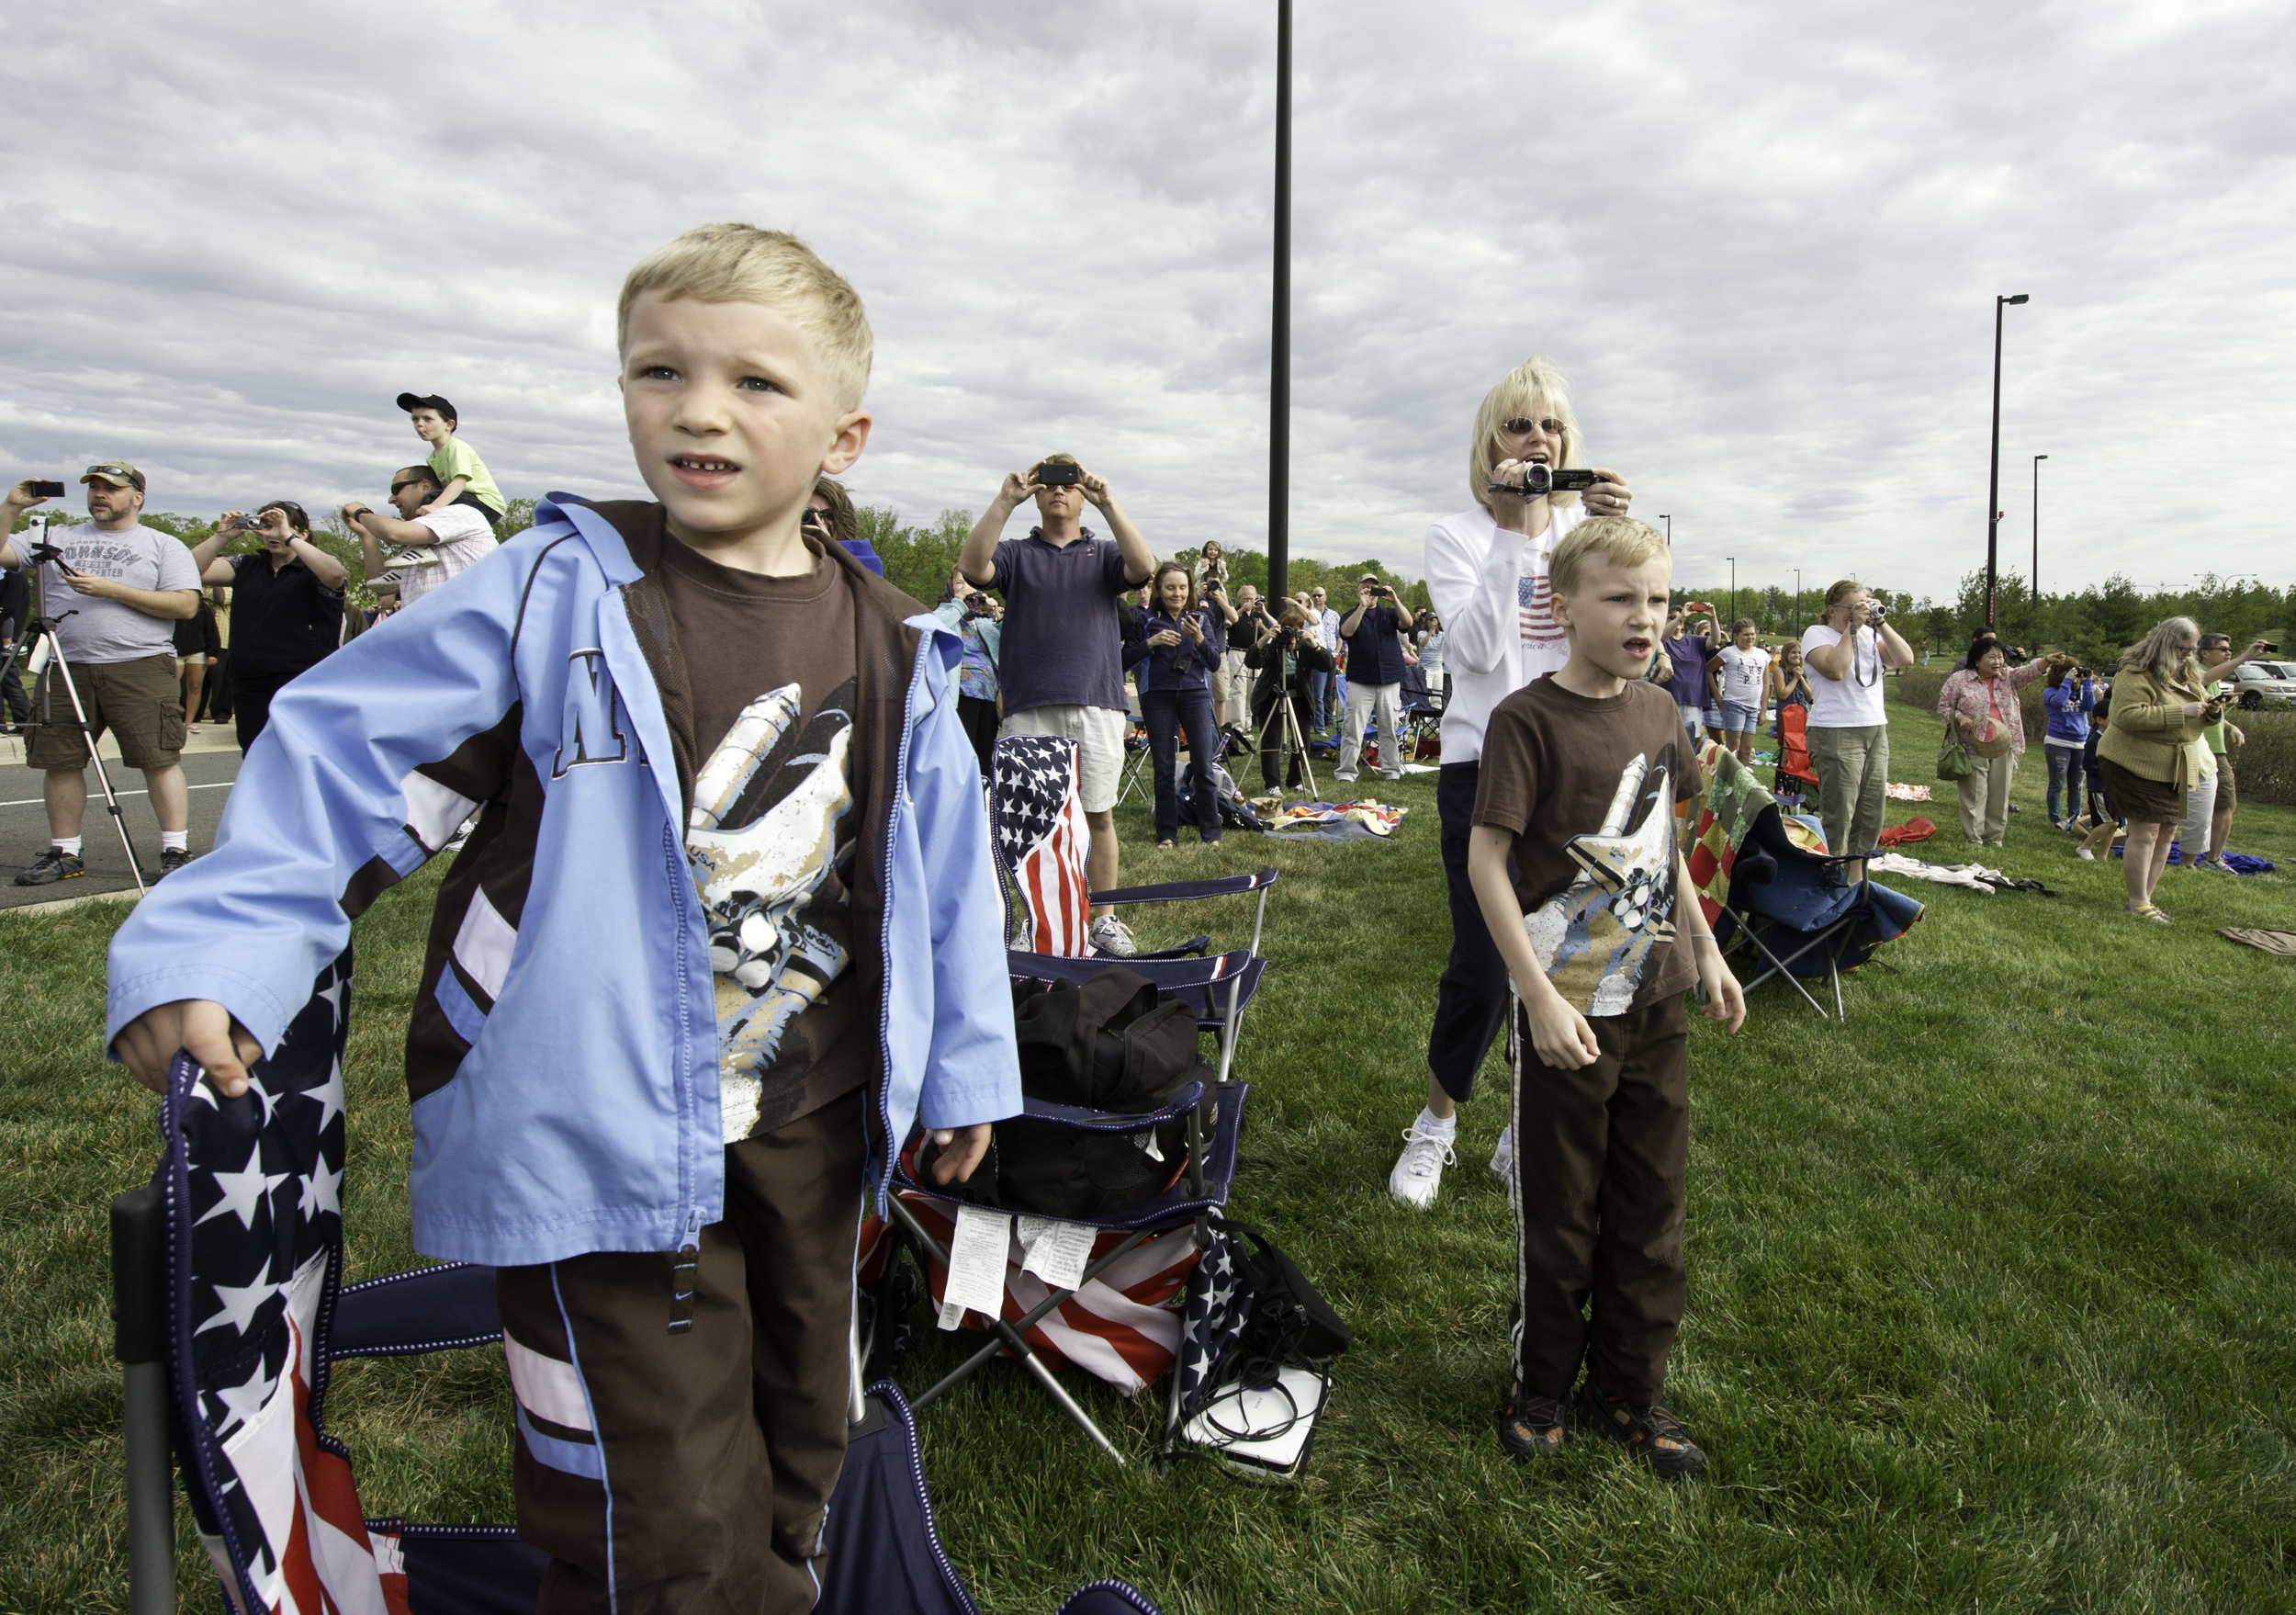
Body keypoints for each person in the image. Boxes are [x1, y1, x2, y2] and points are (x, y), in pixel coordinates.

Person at [107, 223, 1019, 1613]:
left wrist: (962, 1066)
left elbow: (950, 884)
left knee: (800, 1444)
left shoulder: (897, 641)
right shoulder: (552, 591)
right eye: (660, 368)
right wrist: (217, 943)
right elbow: (350, 757)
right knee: (646, 1503)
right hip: (591, 1132)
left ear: (847, 434)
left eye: (757, 384)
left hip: (808, 1135)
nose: (699, 408)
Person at [1467, 514, 1743, 1476]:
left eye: (1657, 599)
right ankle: (1540, 1381)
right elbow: (1486, 860)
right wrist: (1534, 995)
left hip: (1656, 1001)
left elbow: (1660, 852)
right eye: (1620, 598)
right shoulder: (1526, 721)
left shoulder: (1662, 713)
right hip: (1567, 1013)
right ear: (1563, 605)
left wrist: (1703, 950)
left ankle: (1630, 1388)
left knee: (1649, 1201)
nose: (1643, 618)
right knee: (1562, 1207)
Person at [1395, 353, 1635, 1208]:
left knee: (1570, 956)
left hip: (1577, 763)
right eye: (1518, 425)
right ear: (1489, 441)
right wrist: (1508, 528)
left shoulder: (1585, 540)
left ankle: (1523, 1126)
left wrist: (1618, 538)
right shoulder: (1456, 535)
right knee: (1483, 959)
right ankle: (1435, 1124)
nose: (1538, 440)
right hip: (1483, 764)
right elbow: (1474, 653)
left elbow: (1625, 636)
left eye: (1551, 426)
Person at [959, 454, 1156, 957]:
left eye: (1067, 484)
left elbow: (1143, 568)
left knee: (1099, 816)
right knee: (1032, 821)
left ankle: (1104, 919)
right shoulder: (1015, 553)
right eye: (1047, 484)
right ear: (1037, 493)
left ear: (1080, 493)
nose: (1057, 491)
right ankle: (1037, 919)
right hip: (1030, 704)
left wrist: (1108, 502)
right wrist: (1005, 499)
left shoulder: (1105, 551)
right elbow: (972, 568)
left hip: (1097, 702)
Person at [2, 463, 200, 885]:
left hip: (140, 664)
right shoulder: (56, 537)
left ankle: (175, 851)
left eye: (111, 488)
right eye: (94, 487)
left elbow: (185, 605)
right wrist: (11, 508)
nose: (99, 494)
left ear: (137, 497)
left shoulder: (163, 544)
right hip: (66, 663)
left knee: (159, 759)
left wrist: (112, 590)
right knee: (61, 761)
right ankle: (66, 853)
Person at [186, 503, 348, 751]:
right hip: (249, 679)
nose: (273, 534)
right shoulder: (247, 565)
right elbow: (188, 571)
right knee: (256, 755)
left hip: (301, 677)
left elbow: (335, 575)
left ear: (302, 533)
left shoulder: (314, 566)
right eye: (266, 526)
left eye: (280, 526)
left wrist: (288, 537)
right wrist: (222, 537)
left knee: (304, 753)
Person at [2095, 616, 2212, 922]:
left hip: (2171, 766)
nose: (2188, 655)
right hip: (2133, 763)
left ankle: (2145, 899)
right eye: (2182, 649)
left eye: (2191, 650)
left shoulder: (2187, 671)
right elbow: (2127, 716)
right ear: (2165, 644)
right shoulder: (2135, 672)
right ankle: (2138, 901)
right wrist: (2181, 711)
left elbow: (2198, 704)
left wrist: (2212, 710)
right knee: (2145, 830)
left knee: (2167, 830)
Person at [1800, 581, 1913, 883]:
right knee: (1841, 812)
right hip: (1836, 730)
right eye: (1854, 606)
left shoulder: (1870, 635)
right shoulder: (1817, 633)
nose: (1862, 611)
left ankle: (1856, 880)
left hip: (1875, 729)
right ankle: (1828, 878)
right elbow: (1835, 670)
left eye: (1867, 603)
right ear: (1832, 610)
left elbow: (1905, 659)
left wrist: (1881, 622)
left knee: (1871, 811)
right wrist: (1851, 630)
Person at [1123, 561, 1224, 848]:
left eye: (1182, 587)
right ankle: (1167, 833)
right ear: (1158, 589)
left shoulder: (1200, 618)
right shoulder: (1144, 619)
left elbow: (1215, 663)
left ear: (1189, 589)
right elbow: (1123, 659)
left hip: (1195, 696)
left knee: (1203, 765)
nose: (1176, 593)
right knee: (1165, 767)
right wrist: (1150, 643)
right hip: (1157, 697)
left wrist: (1201, 639)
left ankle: (1211, 832)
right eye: (1170, 587)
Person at [1935, 634, 2069, 846]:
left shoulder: (2008, 677)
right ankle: (1974, 838)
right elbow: (1944, 707)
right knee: (1975, 794)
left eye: (2000, 657)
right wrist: (1960, 718)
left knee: (2000, 794)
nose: (1998, 662)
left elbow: (2028, 672)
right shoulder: (1959, 679)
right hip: (1973, 745)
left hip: (2003, 745)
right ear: (1977, 659)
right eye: (1992, 657)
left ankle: (1994, 838)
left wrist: (2047, 660)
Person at [343, 464, 498, 609]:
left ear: (425, 486)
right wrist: (366, 535)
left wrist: (360, 512)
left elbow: (394, 532)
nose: (391, 499)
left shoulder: (460, 512)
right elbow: (383, 590)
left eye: (397, 489)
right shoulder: (417, 542)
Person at [2187, 634, 2271, 872]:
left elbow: (2208, 707)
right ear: (2204, 652)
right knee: (2225, 805)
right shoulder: (2201, 673)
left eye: (2231, 650)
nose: (2228, 653)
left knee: (2218, 806)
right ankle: (2211, 859)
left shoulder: (2213, 676)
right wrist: (2247, 656)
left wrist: (2229, 725)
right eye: (2223, 649)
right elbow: (2202, 684)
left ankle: (2202, 856)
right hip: (2209, 752)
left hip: (2213, 750)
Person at [1244, 602, 1332, 791]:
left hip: (1298, 697)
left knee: (1302, 740)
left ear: (1301, 630)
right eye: (1287, 630)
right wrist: (1266, 637)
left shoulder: (1305, 646)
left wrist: (1314, 645)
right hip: (1271, 695)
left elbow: (1328, 665)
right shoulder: (1273, 645)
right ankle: (1272, 784)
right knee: (1271, 739)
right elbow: (1252, 662)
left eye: (1295, 630)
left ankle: (1295, 781)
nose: (1290, 635)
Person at [1334, 574, 1410, 784]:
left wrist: (1395, 600)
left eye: (1374, 588)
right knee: (1353, 729)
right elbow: (1346, 632)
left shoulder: (1388, 613)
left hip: (1389, 680)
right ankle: (1346, 772)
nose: (1370, 591)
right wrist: (1362, 606)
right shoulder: (1350, 615)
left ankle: (1391, 771)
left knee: (1389, 729)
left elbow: (1408, 623)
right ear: (1358, 591)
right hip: (1361, 681)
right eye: (1365, 588)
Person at [396, 391, 509, 527]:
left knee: (431, 499)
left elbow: (459, 482)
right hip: (464, 500)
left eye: (427, 419)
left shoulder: (455, 447)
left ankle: (415, 534)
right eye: (415, 419)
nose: (420, 424)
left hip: (486, 504)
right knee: (429, 499)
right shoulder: (431, 458)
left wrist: (435, 506)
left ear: (448, 425)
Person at [2041, 661, 2099, 830]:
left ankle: (2074, 817)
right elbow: (2059, 702)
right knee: (2057, 782)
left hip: (2080, 742)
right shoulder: (2049, 692)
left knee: (2077, 785)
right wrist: (2066, 682)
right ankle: (2055, 818)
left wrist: (2087, 683)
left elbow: (2090, 707)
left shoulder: (2080, 691)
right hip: (2058, 741)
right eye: (2068, 671)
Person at [1708, 619, 1771, 763]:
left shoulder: (1762, 655)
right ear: (1736, 635)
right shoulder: (1729, 652)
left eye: (1752, 634)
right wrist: (1717, 693)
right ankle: (1728, 781)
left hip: (1753, 707)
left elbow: (1766, 683)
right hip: (1734, 704)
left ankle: (1743, 782)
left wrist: (1763, 710)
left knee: (1746, 749)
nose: (1750, 638)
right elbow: (1708, 669)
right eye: (1746, 634)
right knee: (1734, 748)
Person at [1659, 606, 1716, 741]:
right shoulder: (1663, 641)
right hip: (1669, 698)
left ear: (1684, 624)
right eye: (1671, 618)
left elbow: (1714, 641)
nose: (1677, 621)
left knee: (1689, 741)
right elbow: (1660, 639)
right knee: (1667, 739)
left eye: (1679, 619)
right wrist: (1681, 616)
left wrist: (1713, 618)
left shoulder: (1695, 641)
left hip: (1692, 698)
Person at [173, 586, 223, 735]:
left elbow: (212, 632)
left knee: (195, 686)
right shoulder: (173, 607)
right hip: (175, 651)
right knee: (172, 686)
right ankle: (173, 720)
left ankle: (189, 722)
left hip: (197, 651)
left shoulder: (204, 609)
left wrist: (212, 653)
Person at [1218, 582, 1264, 734]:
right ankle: (1237, 726)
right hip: (1237, 653)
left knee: (1251, 690)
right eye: (1246, 598)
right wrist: (1240, 610)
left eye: (1251, 598)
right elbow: (1229, 623)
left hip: (1253, 654)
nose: (1249, 602)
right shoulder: (1234, 612)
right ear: (1240, 598)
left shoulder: (1257, 615)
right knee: (1239, 691)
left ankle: (1248, 724)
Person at [1, 554, 31, 733]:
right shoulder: (8, 576)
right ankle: (21, 721)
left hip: (8, 635)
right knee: (8, 680)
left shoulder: (16, 577)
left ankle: (23, 722)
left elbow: (9, 608)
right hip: (5, 633)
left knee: (9, 680)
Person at [1766, 640, 1812, 717]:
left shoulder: (1802, 671)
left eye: (1799, 653)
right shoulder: (1779, 670)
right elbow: (1783, 695)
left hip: (1802, 712)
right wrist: (1795, 679)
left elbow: (1810, 698)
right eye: (1793, 652)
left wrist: (1801, 678)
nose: (1797, 655)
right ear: (1786, 654)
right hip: (1786, 713)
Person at [1413, 609, 1446, 711]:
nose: (1433, 621)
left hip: (1438, 669)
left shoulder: (1442, 635)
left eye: (1435, 619)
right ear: (1427, 622)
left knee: (1437, 695)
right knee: (1425, 695)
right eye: (1431, 620)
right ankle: (1423, 721)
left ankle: (1434, 721)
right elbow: (1423, 643)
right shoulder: (1422, 633)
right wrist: (1431, 631)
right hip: (1426, 669)